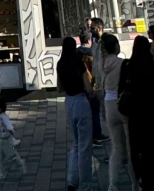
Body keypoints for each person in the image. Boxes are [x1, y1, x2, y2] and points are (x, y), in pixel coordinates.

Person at [119, 34, 154, 191]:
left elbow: (121, 89)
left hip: (136, 116)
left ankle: (141, 179)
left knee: (138, 150)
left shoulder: (128, 66)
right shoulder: (152, 66)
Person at [98, 32, 136, 191]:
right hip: (122, 105)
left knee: (116, 148)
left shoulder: (100, 64)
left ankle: (112, 184)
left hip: (108, 104)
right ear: (115, 46)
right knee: (130, 148)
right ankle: (135, 183)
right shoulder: (123, 63)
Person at [56, 36, 93, 191]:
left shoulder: (60, 64)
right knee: (85, 146)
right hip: (81, 101)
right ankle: (85, 185)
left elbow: (59, 88)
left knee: (76, 144)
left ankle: (72, 180)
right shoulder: (79, 63)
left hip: (69, 102)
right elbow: (88, 87)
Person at [0, 96, 26, 180]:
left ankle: (20, 163)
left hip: (6, 140)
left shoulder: (3, 117)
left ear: (0, 108)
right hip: (2, 140)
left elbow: (8, 125)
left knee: (11, 156)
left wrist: (11, 131)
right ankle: (1, 172)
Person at [88, 17, 108, 145]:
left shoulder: (106, 42)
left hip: (106, 84)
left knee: (107, 114)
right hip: (97, 83)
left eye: (93, 27)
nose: (91, 30)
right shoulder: (95, 43)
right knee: (100, 113)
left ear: (100, 28)